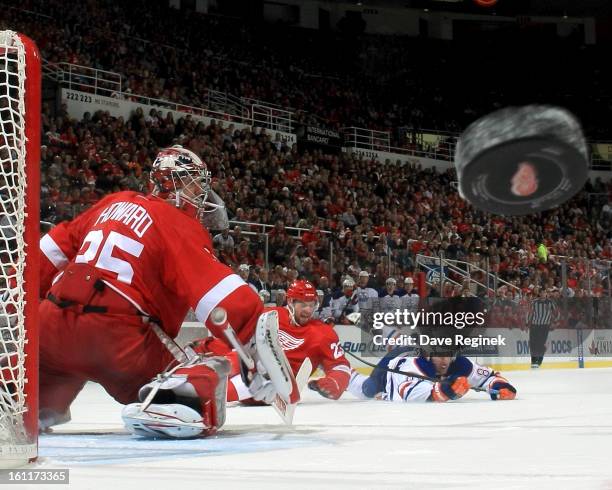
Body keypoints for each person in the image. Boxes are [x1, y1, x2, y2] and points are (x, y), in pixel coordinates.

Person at [38, 146, 295, 436]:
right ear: (176, 183)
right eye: (197, 184)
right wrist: (257, 355)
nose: (200, 194)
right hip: (118, 340)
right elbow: (225, 300)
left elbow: (44, 256)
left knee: (38, 384)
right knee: (211, 368)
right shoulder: (177, 222)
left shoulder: (112, 202)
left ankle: (33, 404)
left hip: (51, 326)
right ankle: (167, 404)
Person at [202, 280, 352, 402]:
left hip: (275, 385)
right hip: (252, 367)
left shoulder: (323, 333)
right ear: (291, 302)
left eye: (311, 305)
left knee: (215, 394)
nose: (308, 310)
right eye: (303, 304)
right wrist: (209, 345)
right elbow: (242, 340)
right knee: (221, 366)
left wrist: (335, 382)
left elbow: (340, 366)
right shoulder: (269, 316)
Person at [348, 298, 517, 402]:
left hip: (418, 344)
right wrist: (446, 391)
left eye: (448, 355)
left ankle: (371, 324)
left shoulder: (459, 363)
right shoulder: (415, 365)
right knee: (369, 389)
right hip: (398, 356)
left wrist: (502, 387)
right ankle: (348, 374)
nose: (444, 361)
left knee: (399, 339)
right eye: (440, 356)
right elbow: (409, 393)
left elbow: (488, 377)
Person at [528, 288, 559, 368]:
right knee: (533, 343)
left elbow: (557, 313)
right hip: (535, 325)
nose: (542, 294)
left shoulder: (550, 302)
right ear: (539, 293)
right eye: (541, 292)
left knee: (541, 344)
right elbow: (530, 313)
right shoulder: (534, 302)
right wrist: (527, 322)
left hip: (545, 326)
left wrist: (555, 321)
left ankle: (540, 360)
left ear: (546, 293)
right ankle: (533, 361)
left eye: (544, 292)